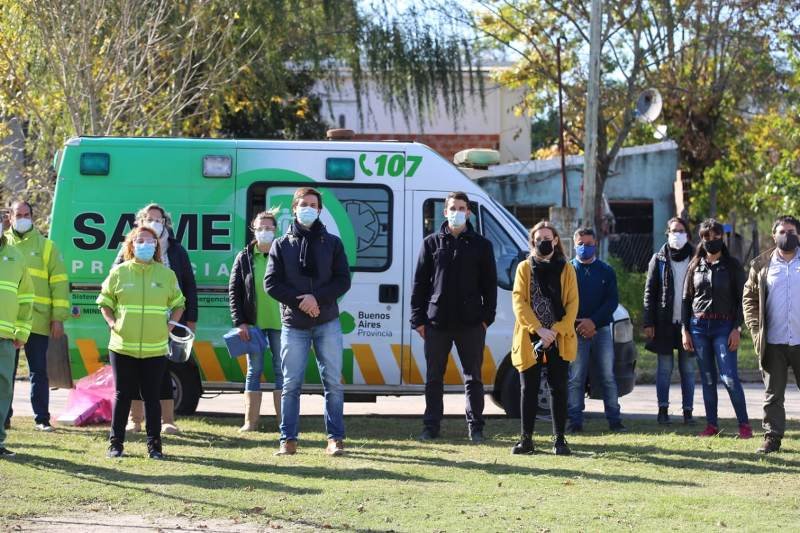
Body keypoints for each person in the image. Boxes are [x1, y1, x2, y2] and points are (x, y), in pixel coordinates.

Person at [265, 187, 351, 456]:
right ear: (294, 208)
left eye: (313, 205)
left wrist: (317, 299)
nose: (308, 208)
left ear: (320, 210)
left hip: (327, 322)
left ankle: (335, 439)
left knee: (333, 383)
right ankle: (288, 440)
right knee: (290, 384)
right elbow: (271, 283)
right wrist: (300, 301)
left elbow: (343, 280)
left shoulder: (333, 243)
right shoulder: (281, 245)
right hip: (294, 324)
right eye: (303, 204)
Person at [410, 191, 497, 443]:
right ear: (445, 212)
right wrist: (418, 320)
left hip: (472, 323)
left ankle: (476, 427)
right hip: (436, 322)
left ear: (468, 212)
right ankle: (431, 427)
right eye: (452, 208)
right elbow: (419, 284)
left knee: (473, 378)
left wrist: (486, 319)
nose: (457, 212)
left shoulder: (482, 245)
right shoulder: (431, 243)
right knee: (433, 378)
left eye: (461, 208)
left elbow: (490, 285)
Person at [98, 226, 185, 459]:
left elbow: (179, 304)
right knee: (122, 395)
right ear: (131, 244)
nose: (145, 244)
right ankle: (115, 445)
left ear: (156, 246)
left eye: (150, 241)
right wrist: (112, 323)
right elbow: (104, 301)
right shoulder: (119, 272)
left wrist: (169, 327)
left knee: (152, 397)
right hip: (122, 345)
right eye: (140, 240)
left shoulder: (166, 275)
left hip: (155, 347)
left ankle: (154, 447)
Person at [115, 204, 198, 435]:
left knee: (163, 371)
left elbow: (189, 286)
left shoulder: (177, 250)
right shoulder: (128, 248)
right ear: (140, 222)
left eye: (158, 219)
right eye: (149, 219)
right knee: (134, 373)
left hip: (168, 322)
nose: (154, 223)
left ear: (165, 223)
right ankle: (135, 420)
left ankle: (167, 420)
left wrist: (190, 319)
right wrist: (115, 321)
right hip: (135, 322)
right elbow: (113, 281)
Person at [510, 221, 577, 455]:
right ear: (532, 242)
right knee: (528, 388)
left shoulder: (567, 269)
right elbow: (519, 302)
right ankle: (526, 440)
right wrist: (539, 330)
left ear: (556, 240)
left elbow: (573, 304)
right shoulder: (524, 268)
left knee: (558, 388)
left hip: (559, 337)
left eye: (547, 238)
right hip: (531, 336)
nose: (543, 242)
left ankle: (559, 440)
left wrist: (555, 331)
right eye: (538, 239)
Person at [682, 219, 751, 438]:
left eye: (715, 236)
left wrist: (736, 328)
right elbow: (686, 300)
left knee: (729, 377)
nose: (711, 240)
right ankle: (711, 425)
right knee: (708, 379)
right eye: (706, 236)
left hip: (724, 327)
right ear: (700, 239)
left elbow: (742, 300)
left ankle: (745, 425)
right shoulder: (694, 265)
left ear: (722, 237)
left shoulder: (732, 265)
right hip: (698, 328)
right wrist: (685, 330)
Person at [4, 200, 70, 432]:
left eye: (26, 214)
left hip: (38, 320)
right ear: (10, 217)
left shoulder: (47, 246)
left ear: (32, 217)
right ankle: (4, 417)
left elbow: (59, 283)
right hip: (8, 321)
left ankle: (42, 418)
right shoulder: (3, 244)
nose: (22, 218)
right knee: (6, 372)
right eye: (18, 214)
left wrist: (58, 317)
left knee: (38, 371)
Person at [743, 215, 800, 453]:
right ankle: (772, 439)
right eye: (782, 232)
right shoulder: (761, 265)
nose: (787, 236)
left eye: (791, 231)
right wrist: (756, 330)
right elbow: (749, 300)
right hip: (773, 342)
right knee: (773, 395)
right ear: (774, 236)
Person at [229, 210, 284, 432]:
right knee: (254, 369)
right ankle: (250, 422)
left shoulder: (284, 254)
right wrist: (240, 322)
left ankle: (284, 422)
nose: (265, 231)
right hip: (254, 325)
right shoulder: (244, 257)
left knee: (282, 370)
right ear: (253, 229)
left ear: (276, 230)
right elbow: (234, 291)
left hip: (282, 323)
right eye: (260, 228)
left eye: (269, 228)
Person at [567, 227, 625, 432]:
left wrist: (593, 322)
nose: (585, 247)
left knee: (608, 376)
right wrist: (579, 324)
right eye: (581, 244)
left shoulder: (606, 270)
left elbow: (612, 302)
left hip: (601, 330)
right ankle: (574, 421)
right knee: (576, 377)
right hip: (575, 331)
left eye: (589, 244)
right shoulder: (568, 271)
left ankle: (615, 420)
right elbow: (563, 301)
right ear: (574, 245)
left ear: (596, 244)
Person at [643, 217, 697, 425]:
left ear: (688, 234)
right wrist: (648, 322)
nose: (677, 234)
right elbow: (650, 292)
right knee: (664, 368)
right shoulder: (658, 259)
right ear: (667, 233)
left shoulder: (696, 258)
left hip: (689, 324)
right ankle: (663, 410)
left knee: (688, 369)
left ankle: (688, 412)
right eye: (674, 230)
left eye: (681, 230)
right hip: (664, 323)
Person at [0, 232, 34, 457]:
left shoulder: (16, 256)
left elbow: (26, 297)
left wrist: (22, 330)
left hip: (5, 338)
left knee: (3, 390)